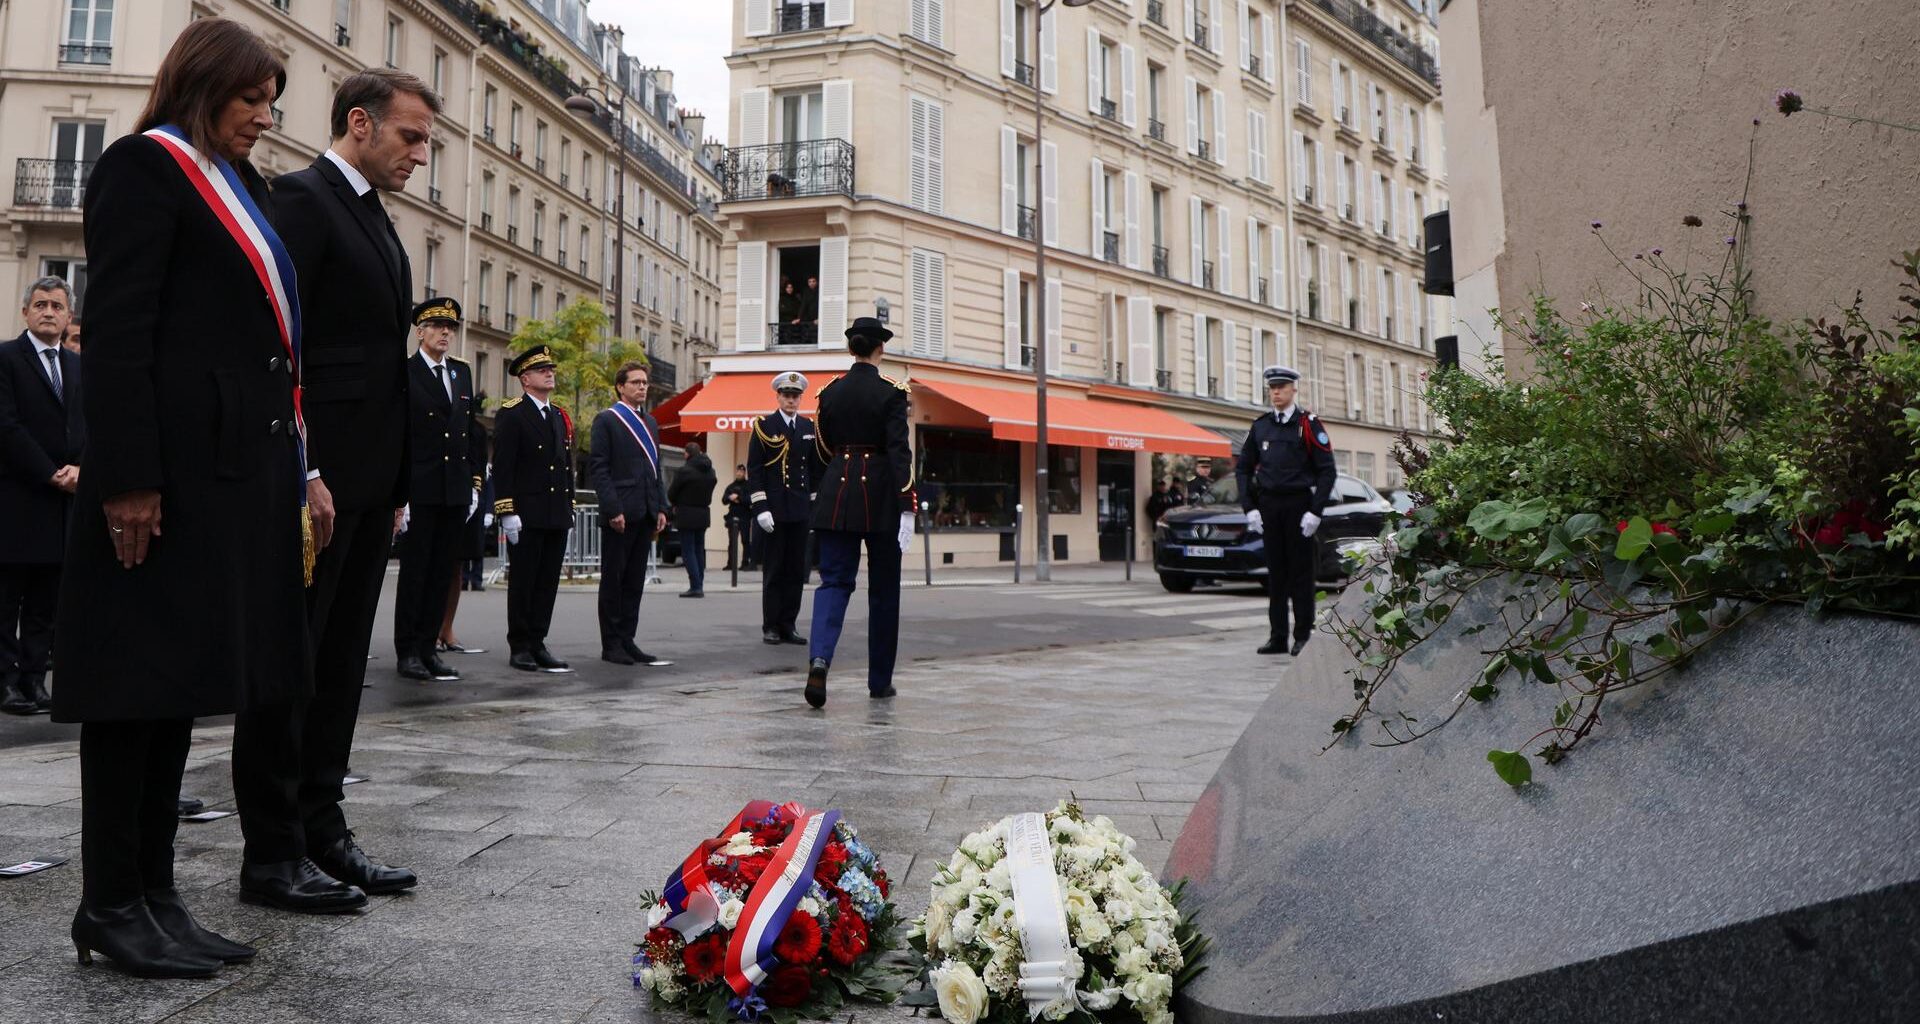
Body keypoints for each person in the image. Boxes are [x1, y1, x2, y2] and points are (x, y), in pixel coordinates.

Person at [52, 17, 301, 976]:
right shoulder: (142, 169)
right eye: (249, 99)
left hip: (222, 482)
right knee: (131, 695)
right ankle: (110, 904)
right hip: (156, 484)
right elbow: (119, 335)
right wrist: (131, 479)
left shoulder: (242, 186)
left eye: (270, 102)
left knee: (172, 695)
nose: (262, 118)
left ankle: (156, 897)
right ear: (201, 87)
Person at [229, 67, 436, 916]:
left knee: (342, 663)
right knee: (293, 664)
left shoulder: (376, 218)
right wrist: (307, 469)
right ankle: (271, 853)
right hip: (313, 483)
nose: (421, 155)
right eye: (410, 136)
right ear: (360, 121)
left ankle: (324, 829)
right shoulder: (303, 200)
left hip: (365, 483)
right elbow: (280, 348)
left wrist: (390, 485)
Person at [804, 318, 916, 708]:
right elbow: (900, 452)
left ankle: (819, 660)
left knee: (833, 583)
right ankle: (879, 681)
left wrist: (839, 472)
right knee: (884, 592)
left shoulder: (829, 392)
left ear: (852, 348)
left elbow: (822, 447)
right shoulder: (892, 393)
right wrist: (907, 502)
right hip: (882, 495)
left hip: (836, 492)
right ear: (879, 349)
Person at [1, 277, 84, 715]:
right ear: (26, 313)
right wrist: (51, 473)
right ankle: (5, 682)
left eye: (56, 305)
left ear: (69, 315)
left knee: (44, 603)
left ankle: (35, 680)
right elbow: (7, 427)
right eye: (40, 305)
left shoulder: (77, 367)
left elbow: (90, 426)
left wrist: (81, 468)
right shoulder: (6, 358)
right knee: (7, 599)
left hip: (62, 506)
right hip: (19, 500)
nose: (48, 312)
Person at [391, 298, 478, 681]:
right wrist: (401, 494)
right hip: (421, 489)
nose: (446, 332)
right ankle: (407, 650)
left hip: (453, 489)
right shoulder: (406, 373)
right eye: (438, 325)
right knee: (416, 574)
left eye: (451, 327)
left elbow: (469, 433)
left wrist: (473, 483)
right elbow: (399, 436)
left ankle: (429, 647)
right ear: (420, 331)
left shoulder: (460, 374)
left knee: (442, 571)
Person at [1237, 365, 1337, 657]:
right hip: (1269, 507)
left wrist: (1315, 511)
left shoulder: (1308, 425)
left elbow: (1327, 471)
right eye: (1272, 388)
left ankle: (1303, 635)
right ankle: (1278, 636)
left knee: (1301, 576)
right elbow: (1243, 469)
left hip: (1298, 507)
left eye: (1281, 387)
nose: (1276, 392)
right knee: (1276, 575)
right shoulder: (1261, 426)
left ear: (1294, 389)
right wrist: (1250, 508)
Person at [494, 345, 578, 672]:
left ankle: (538, 641)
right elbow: (503, 466)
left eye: (551, 368)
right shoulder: (512, 413)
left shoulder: (557, 414)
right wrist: (506, 510)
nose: (550, 373)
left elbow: (564, 465)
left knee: (547, 583)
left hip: (555, 511)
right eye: (542, 370)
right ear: (525, 379)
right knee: (525, 581)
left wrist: (568, 508)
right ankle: (520, 646)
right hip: (526, 513)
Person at [586, 361, 670, 666]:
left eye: (645, 383)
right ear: (621, 386)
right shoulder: (607, 420)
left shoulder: (650, 423)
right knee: (614, 580)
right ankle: (611, 644)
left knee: (634, 581)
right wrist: (612, 508)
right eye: (635, 382)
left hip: (645, 510)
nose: (642, 387)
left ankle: (627, 639)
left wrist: (662, 506)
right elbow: (599, 468)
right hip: (620, 512)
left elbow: (655, 469)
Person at [747, 371, 823, 646]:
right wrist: (761, 507)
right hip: (775, 510)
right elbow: (755, 472)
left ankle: (789, 624)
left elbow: (814, 471)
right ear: (778, 397)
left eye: (795, 396)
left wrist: (814, 506)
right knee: (775, 571)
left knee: (795, 571)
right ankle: (771, 626)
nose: (791, 400)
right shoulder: (764, 427)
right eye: (787, 395)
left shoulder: (807, 427)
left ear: (800, 398)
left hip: (800, 509)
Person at [668, 440, 717, 598]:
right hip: (703, 512)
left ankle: (695, 586)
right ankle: (699, 584)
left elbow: (672, 492)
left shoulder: (684, 471)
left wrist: (676, 502)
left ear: (687, 454)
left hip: (686, 513)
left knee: (688, 551)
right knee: (699, 549)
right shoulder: (711, 472)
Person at [721, 464, 751, 571]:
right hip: (732, 517)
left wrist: (738, 497)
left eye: (742, 472)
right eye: (738, 471)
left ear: (744, 473)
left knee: (745, 541)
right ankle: (731, 564)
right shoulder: (731, 486)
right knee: (732, 542)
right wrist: (730, 497)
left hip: (745, 517)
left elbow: (749, 500)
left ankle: (745, 563)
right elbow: (724, 500)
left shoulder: (748, 486)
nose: (739, 473)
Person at [777, 278, 802, 345]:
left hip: (795, 324)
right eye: (788, 287)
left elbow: (798, 310)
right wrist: (791, 320)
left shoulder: (796, 299)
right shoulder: (782, 298)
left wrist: (797, 319)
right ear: (785, 289)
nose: (789, 289)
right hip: (785, 324)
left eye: (791, 287)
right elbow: (782, 311)